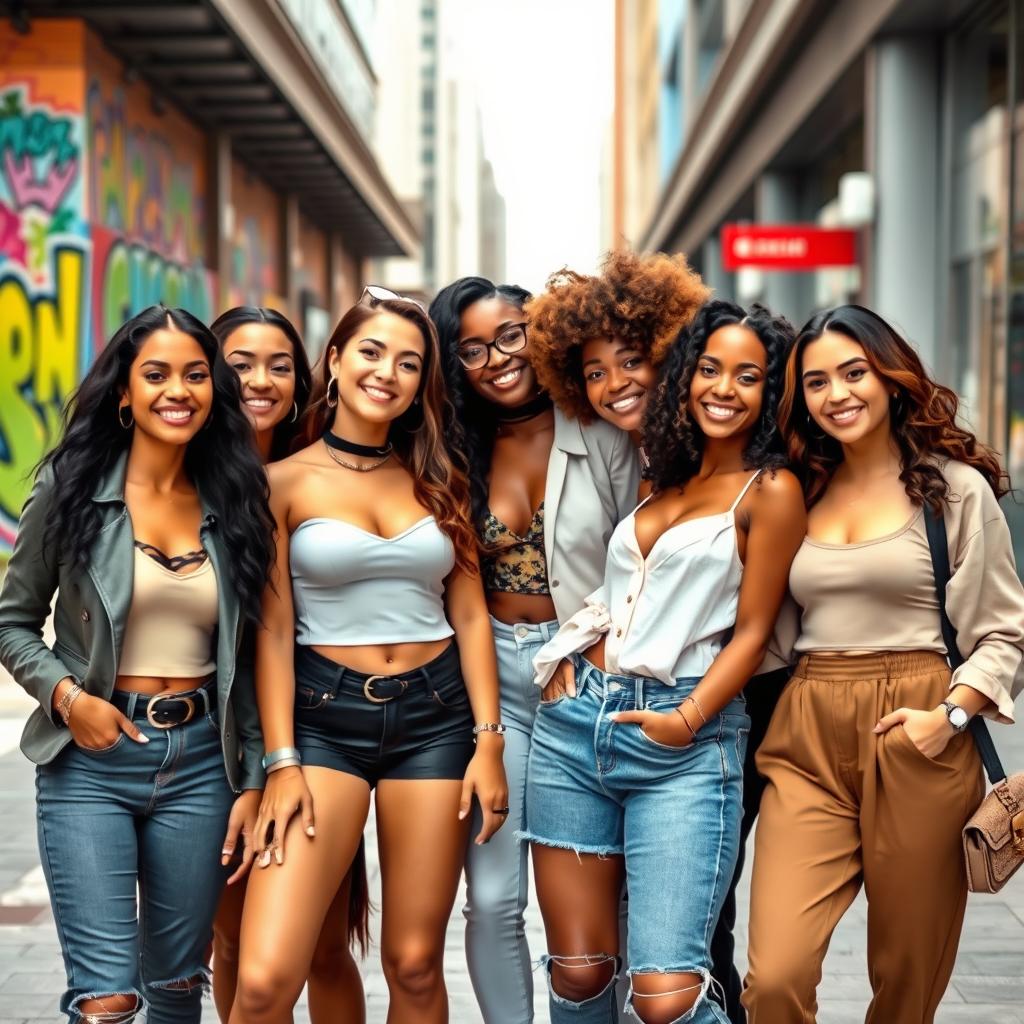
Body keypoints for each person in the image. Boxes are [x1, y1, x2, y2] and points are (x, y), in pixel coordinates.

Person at [229, 288, 508, 1024]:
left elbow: (471, 613)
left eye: (409, 362)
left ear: (423, 385)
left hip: (437, 719)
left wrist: (489, 741)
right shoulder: (281, 481)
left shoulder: (441, 474)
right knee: (262, 981)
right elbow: (271, 630)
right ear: (336, 360)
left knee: (414, 966)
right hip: (323, 723)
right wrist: (282, 761)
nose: (388, 372)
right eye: (373, 352)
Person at [524, 301, 805, 1024]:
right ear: (684, 377)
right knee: (580, 973)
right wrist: (564, 656)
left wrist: (688, 717)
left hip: (683, 740)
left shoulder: (770, 491)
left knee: (666, 997)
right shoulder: (665, 478)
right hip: (575, 727)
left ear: (770, 392)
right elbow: (621, 597)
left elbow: (751, 632)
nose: (724, 388)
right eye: (709, 369)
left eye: (749, 376)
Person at [743, 305, 1024, 1024]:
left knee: (906, 981)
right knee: (775, 975)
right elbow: (763, 628)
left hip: (920, 727)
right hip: (807, 728)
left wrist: (952, 715)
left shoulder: (954, 488)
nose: (836, 393)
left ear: (892, 378)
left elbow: (1004, 633)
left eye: (853, 372)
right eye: (815, 382)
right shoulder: (793, 490)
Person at [0, 305, 275, 1023]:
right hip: (91, 759)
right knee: (108, 997)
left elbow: (246, 659)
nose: (176, 390)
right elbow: (12, 622)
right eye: (155, 375)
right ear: (124, 392)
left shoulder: (234, 497)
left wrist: (251, 778)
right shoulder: (70, 487)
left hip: (201, 765)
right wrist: (68, 699)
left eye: (194, 375)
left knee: (178, 984)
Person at [429, 276, 640, 1024]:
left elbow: (640, 565)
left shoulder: (603, 435)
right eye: (473, 348)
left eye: (511, 335)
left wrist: (601, 662)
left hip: (585, 677)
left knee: (590, 904)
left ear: (541, 332)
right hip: (489, 682)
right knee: (491, 898)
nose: (497, 358)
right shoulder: (453, 446)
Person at [209, 306, 368, 1024]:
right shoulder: (184, 468)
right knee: (232, 938)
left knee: (325, 943)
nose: (260, 380)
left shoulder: (317, 464)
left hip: (310, 725)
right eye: (240, 363)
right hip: (207, 735)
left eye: (279, 365)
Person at [527, 249, 709, 488]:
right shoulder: (605, 455)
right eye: (596, 374)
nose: (615, 384)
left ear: (663, 356)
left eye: (631, 362)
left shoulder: (705, 446)